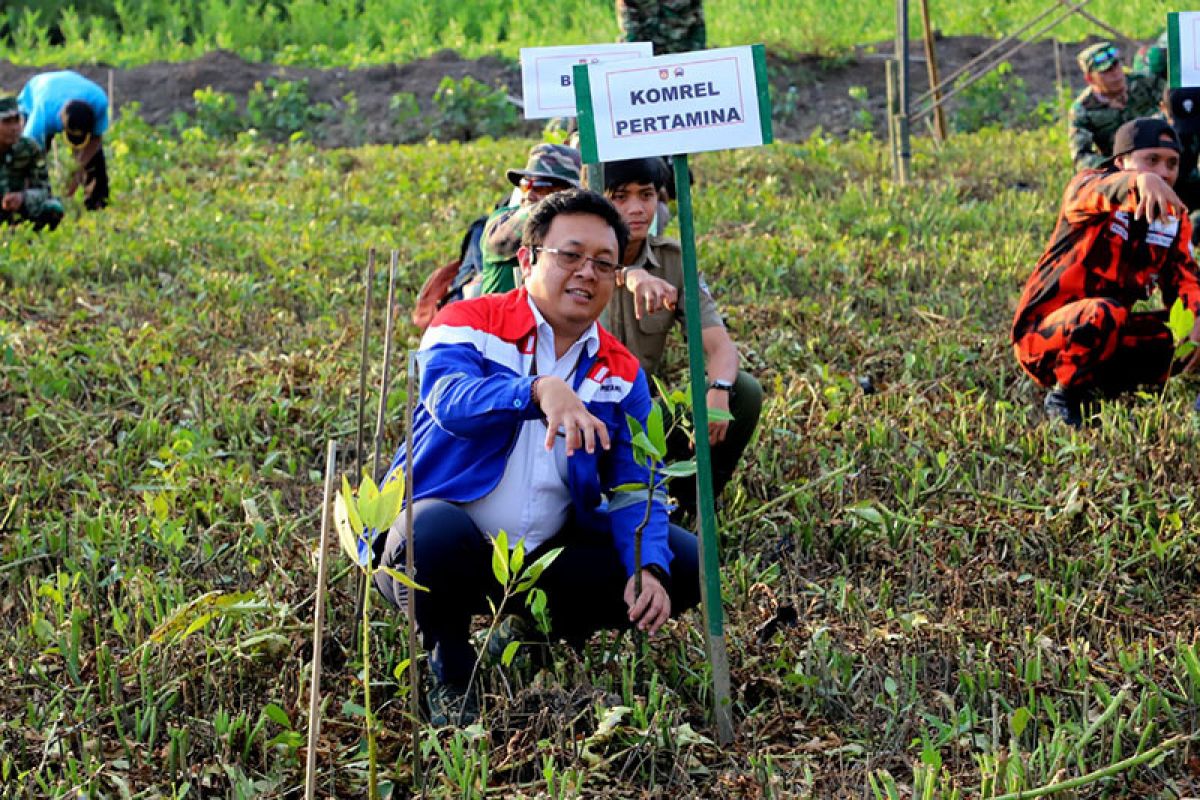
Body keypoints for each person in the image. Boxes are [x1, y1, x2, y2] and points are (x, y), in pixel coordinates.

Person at [374, 189, 701, 726]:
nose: (586, 273)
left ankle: (533, 630)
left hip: (546, 556)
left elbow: (636, 480)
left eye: (603, 263)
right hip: (446, 550)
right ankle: (452, 674)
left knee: (683, 562)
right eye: (569, 256)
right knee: (429, 532)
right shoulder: (466, 322)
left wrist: (646, 566)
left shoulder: (622, 373)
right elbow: (449, 400)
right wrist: (536, 391)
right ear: (527, 260)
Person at [600, 157, 761, 517]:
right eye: (620, 197)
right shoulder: (573, 256)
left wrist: (718, 390)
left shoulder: (673, 260)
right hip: (581, 415)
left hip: (639, 413)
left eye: (646, 195)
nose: (637, 208)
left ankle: (686, 505)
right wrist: (627, 276)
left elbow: (720, 347)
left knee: (743, 393)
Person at [1012, 118, 1200, 427]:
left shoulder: (1175, 220)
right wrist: (1137, 181)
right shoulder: (1089, 192)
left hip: (1112, 338)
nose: (1164, 172)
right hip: (1045, 340)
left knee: (1193, 323)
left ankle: (1106, 382)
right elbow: (1094, 188)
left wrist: (1196, 318)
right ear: (1122, 161)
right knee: (1104, 313)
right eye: (1151, 160)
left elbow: (1186, 282)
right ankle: (1065, 397)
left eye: (1172, 163)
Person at [478, 143, 582, 294]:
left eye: (541, 186)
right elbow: (500, 241)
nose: (528, 194)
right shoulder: (501, 220)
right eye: (525, 184)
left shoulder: (582, 230)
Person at [18, 70, 110, 210]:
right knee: (33, 163)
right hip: (38, 90)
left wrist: (76, 171)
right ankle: (32, 206)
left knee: (93, 161)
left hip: (67, 85)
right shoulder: (42, 115)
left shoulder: (99, 102)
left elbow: (95, 140)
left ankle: (97, 204)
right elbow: (25, 152)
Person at [1069, 42, 1164, 171]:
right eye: (1106, 71)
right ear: (1090, 79)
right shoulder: (1083, 109)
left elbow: (1173, 107)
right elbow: (1081, 156)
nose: (1116, 74)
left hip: (1162, 155)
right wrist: (1115, 168)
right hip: (1120, 170)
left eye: (1116, 65)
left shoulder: (1145, 82)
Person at [0, 96, 63, 231]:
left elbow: (45, 190)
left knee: (53, 208)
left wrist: (23, 198)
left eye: (17, 120)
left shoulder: (29, 148)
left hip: (19, 210)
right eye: (6, 122)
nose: (14, 128)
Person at [616, 0, 706, 55]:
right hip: (647, 59)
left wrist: (698, 57)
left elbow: (697, 25)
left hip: (683, 52)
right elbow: (630, 36)